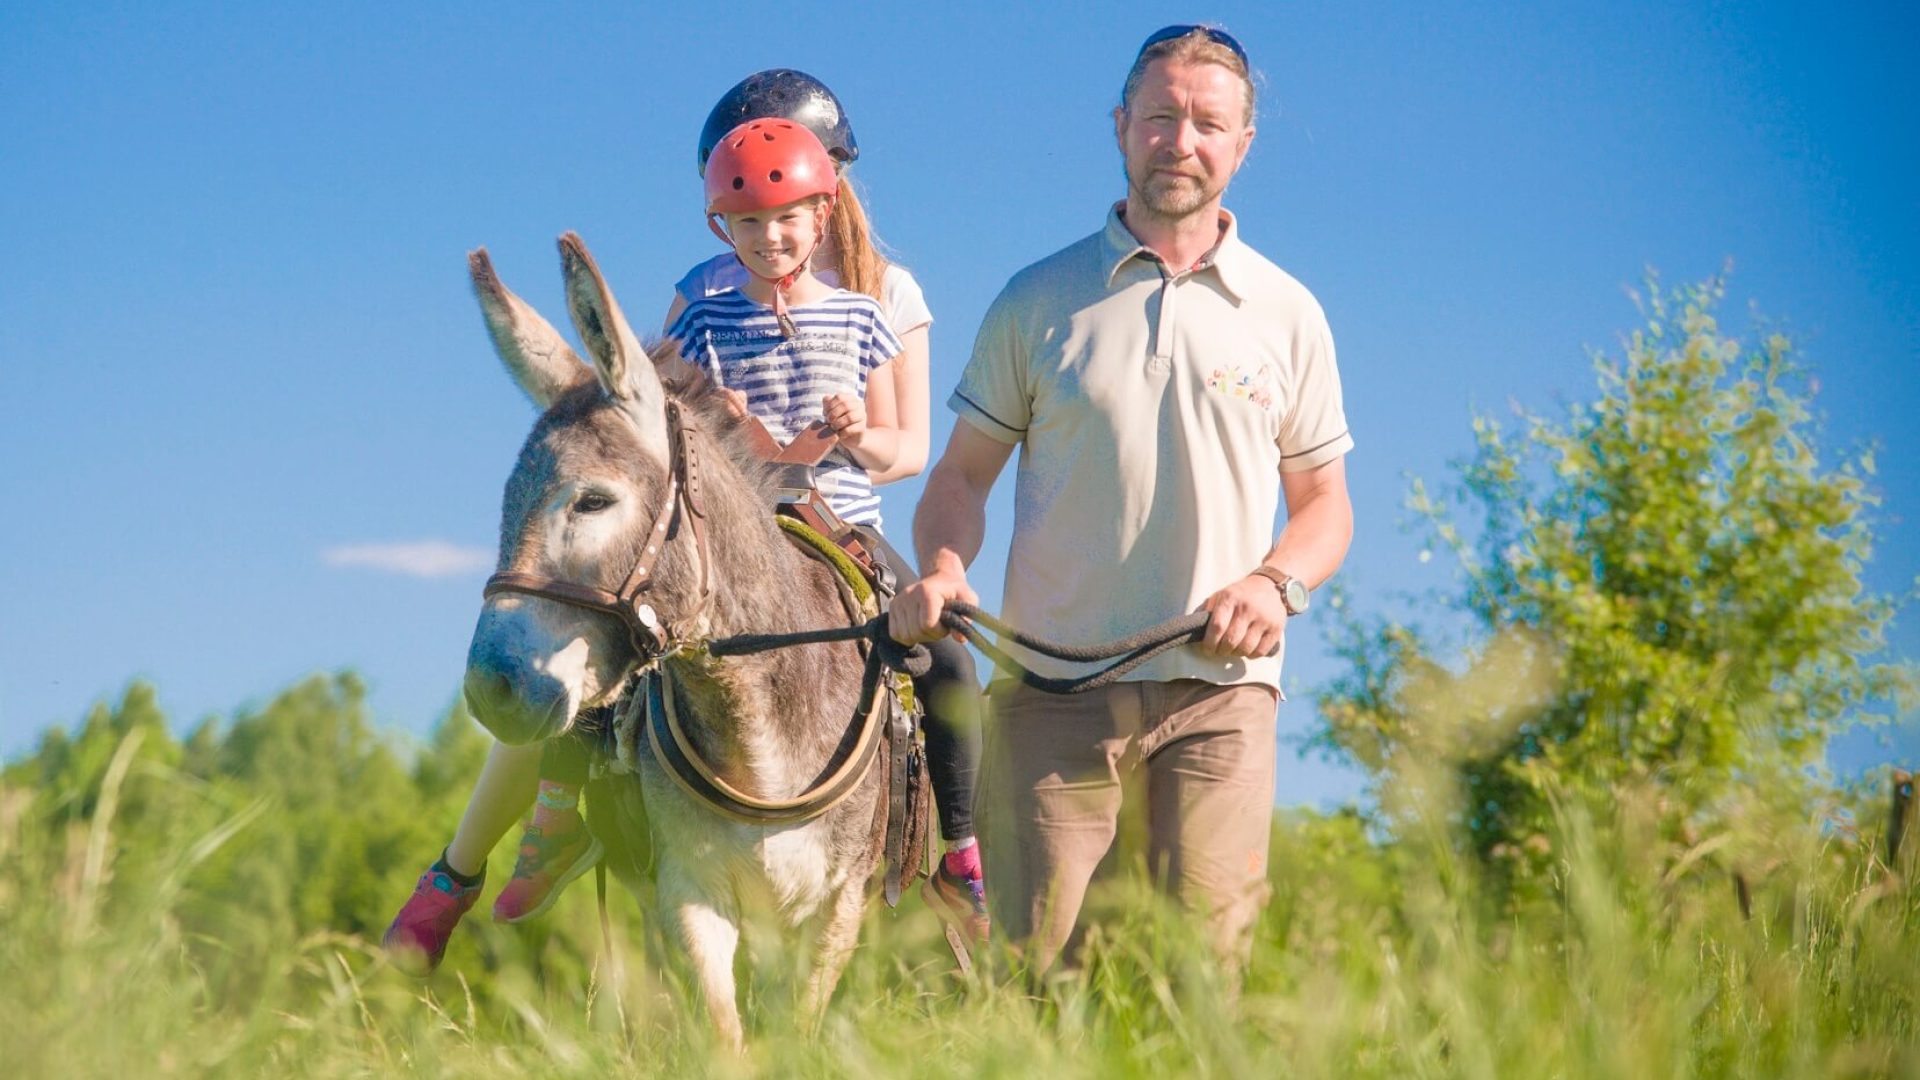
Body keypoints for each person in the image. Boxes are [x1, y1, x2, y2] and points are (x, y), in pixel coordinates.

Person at [384, 72, 987, 978]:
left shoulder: (883, 298)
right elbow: (653, 411)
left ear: (827, 185)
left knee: (947, 656)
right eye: (743, 206)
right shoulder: (706, 294)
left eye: (786, 194)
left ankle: (961, 851)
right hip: (731, 519)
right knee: (607, 627)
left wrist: (852, 438)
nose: (767, 224)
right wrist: (716, 418)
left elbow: (909, 450)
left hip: (840, 519)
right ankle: (548, 815)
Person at [890, 26, 1355, 978]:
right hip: (1051, 696)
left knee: (1198, 978)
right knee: (1038, 980)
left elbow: (1324, 506)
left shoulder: (1289, 313)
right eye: (1160, 117)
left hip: (1221, 692)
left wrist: (1275, 585)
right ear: (1120, 127)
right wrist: (943, 565)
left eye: (1207, 124)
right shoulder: (1036, 299)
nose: (1181, 141)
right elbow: (959, 477)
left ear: (1242, 145)